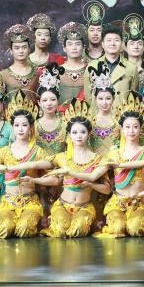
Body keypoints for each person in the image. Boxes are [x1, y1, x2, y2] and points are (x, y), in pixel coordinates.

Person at [0, 97, 52, 238]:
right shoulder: (3, 152)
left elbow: (51, 172)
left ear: (31, 127)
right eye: (17, 125)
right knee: (5, 228)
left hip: (30, 202)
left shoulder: (38, 151)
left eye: (24, 125)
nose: (20, 129)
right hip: (8, 202)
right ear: (12, 127)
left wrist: (35, 180)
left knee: (24, 228)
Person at [96, 94, 144, 237]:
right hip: (118, 202)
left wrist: (142, 194)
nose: (131, 131)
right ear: (122, 129)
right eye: (127, 127)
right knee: (117, 229)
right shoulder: (114, 153)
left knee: (135, 229)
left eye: (135, 127)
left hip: (139, 202)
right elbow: (95, 174)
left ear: (140, 129)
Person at [43, 101, 111, 238]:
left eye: (82, 132)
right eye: (74, 132)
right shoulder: (62, 157)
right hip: (62, 205)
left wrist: (91, 184)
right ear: (69, 135)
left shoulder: (98, 159)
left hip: (84, 206)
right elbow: (42, 164)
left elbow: (107, 189)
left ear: (89, 133)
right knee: (60, 230)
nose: (78, 136)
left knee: (78, 230)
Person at [93, 22, 138, 97]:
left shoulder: (132, 68)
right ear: (103, 44)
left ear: (121, 43)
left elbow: (133, 98)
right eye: (109, 40)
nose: (112, 43)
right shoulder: (92, 66)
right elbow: (89, 99)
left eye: (116, 40)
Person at [0, 24, 39, 100]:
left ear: (29, 49)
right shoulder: (2, 75)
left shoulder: (37, 73)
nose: (21, 51)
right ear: (11, 50)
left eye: (24, 47)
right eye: (17, 48)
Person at [50, 22, 88, 105]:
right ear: (64, 48)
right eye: (70, 44)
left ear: (83, 48)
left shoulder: (90, 70)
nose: (74, 48)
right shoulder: (55, 72)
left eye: (77, 44)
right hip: (60, 112)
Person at [34, 71, 67, 156]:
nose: (49, 103)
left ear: (58, 101)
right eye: (44, 100)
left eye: (53, 99)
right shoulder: (33, 126)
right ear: (39, 103)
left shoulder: (65, 124)